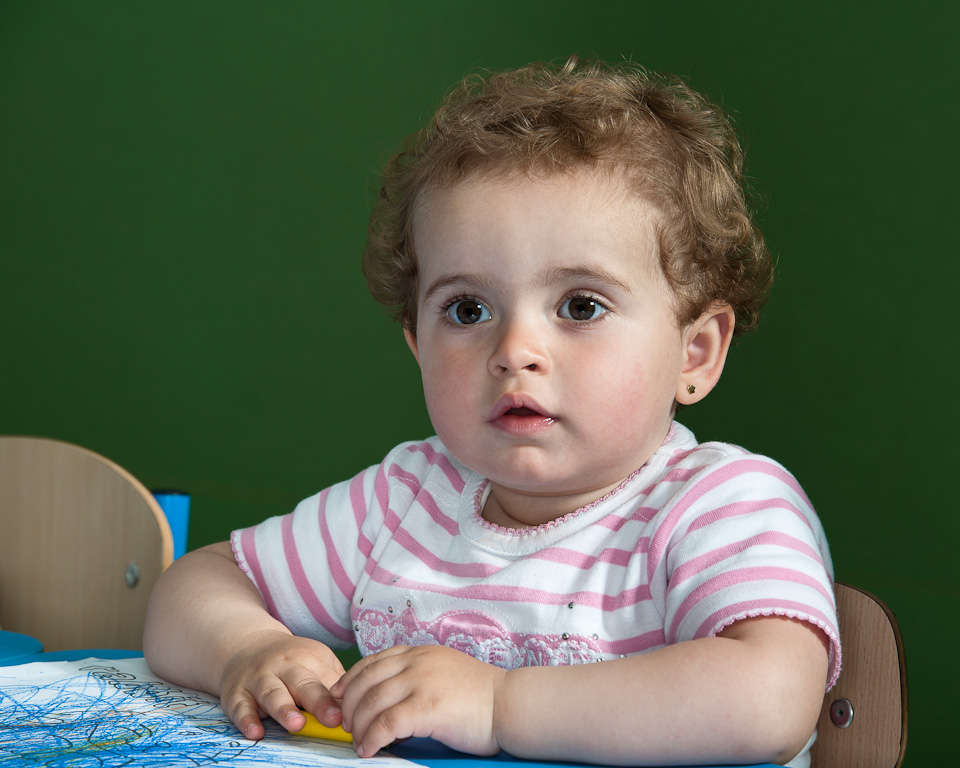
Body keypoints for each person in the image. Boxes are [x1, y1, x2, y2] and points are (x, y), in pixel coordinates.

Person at [144, 58, 840, 768]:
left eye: (580, 306)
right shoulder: (407, 499)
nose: (515, 351)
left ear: (694, 353)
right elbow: (194, 586)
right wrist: (248, 649)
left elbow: (771, 698)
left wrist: (500, 705)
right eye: (468, 310)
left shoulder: (716, 504)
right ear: (417, 344)